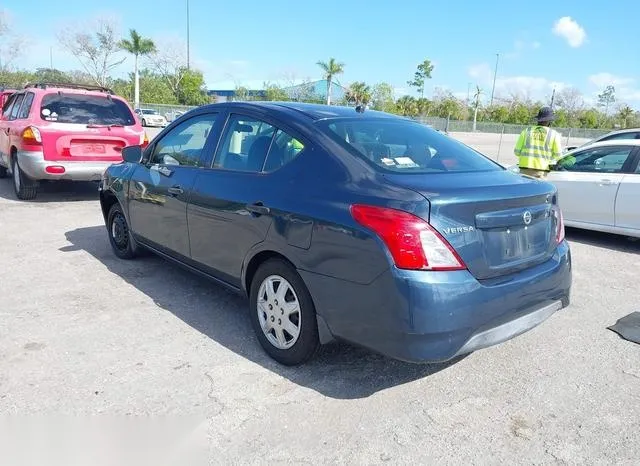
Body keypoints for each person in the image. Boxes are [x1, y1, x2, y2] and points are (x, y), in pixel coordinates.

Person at [514, 106, 563, 178]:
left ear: (538, 119)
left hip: (524, 170)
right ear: (549, 121)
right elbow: (558, 156)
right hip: (541, 172)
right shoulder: (554, 134)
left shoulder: (526, 131)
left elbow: (517, 152)